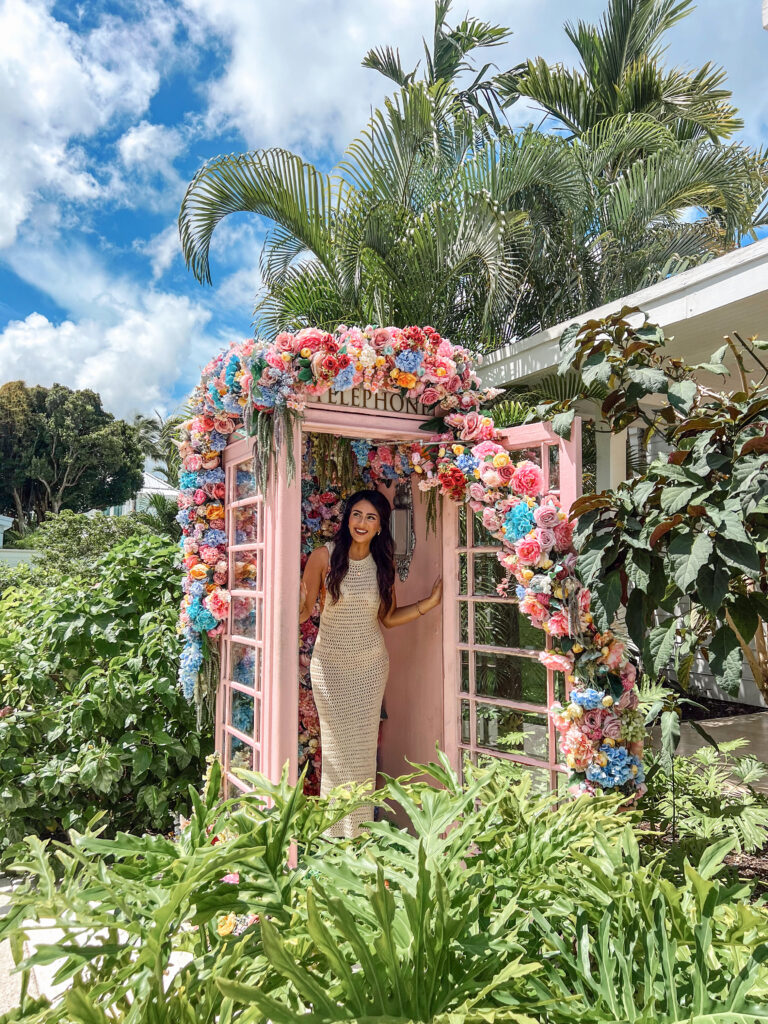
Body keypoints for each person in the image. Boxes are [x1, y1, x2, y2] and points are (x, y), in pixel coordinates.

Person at [299, 488, 442, 837]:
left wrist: (429, 602)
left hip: (369, 668)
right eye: (356, 515)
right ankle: (332, 839)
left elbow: (388, 619)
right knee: (335, 753)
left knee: (362, 756)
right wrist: (288, 596)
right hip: (330, 668)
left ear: (380, 526)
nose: (361, 523)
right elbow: (303, 611)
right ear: (347, 519)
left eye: (370, 517)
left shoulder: (382, 563)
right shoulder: (324, 556)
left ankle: (359, 836)